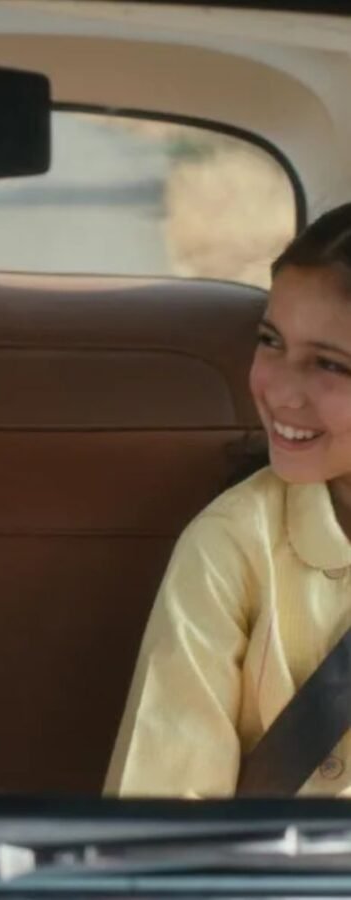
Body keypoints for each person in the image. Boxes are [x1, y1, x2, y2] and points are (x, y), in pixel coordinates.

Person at [106, 202, 351, 798]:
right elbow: (167, 819)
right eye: (271, 342)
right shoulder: (232, 546)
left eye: (329, 364)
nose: (280, 391)